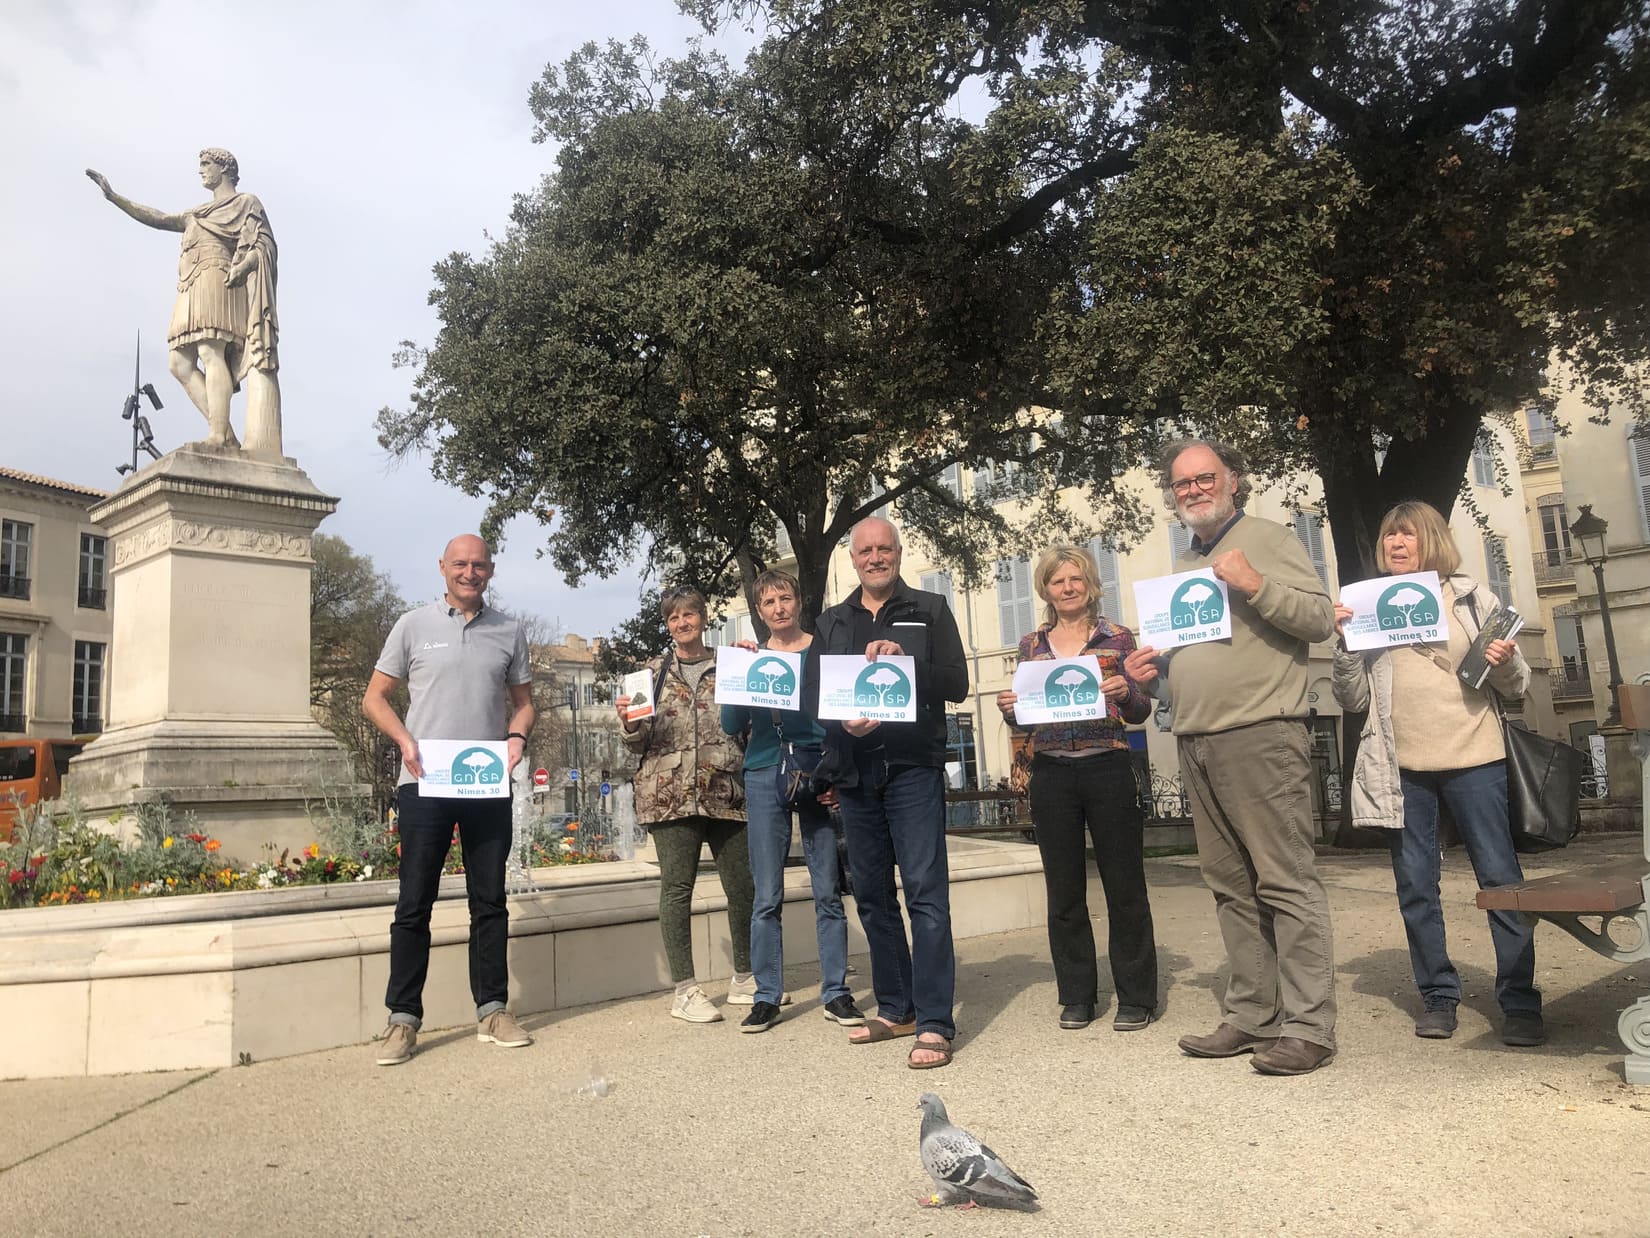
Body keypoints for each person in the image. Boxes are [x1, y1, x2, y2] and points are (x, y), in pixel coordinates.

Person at [1123, 439, 1339, 1076]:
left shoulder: (1268, 539)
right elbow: (1200, 662)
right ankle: (1252, 1014)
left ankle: (1309, 1026)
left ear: (1234, 481)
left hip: (1262, 734)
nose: (1191, 489)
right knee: (1230, 887)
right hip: (1196, 738)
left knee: (1285, 882)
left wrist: (1256, 583)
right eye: (1181, 483)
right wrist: (1151, 674)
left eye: (1203, 478)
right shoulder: (1188, 560)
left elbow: (1321, 619)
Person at [1331, 500, 1542, 1046]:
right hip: (1402, 766)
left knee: (1501, 881)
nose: (1396, 544)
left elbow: (1516, 688)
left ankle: (1519, 1002)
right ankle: (1438, 997)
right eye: (1388, 538)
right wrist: (1346, 644)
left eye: (1407, 535)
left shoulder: (1473, 598)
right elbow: (1351, 697)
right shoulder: (1369, 607)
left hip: (1477, 757)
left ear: (1432, 540)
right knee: (1416, 887)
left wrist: (1506, 660)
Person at [361, 534, 536, 1066]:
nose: (469, 572)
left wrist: (516, 738)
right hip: (424, 784)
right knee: (414, 902)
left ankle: (492, 1010)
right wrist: (404, 740)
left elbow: (525, 705)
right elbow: (374, 697)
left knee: (490, 901)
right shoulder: (412, 625)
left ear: (491, 570)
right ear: (442, 568)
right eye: (460, 563)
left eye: (478, 564)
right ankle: (402, 1020)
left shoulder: (509, 630)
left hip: (485, 783)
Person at [811, 517, 969, 1069]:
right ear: (852, 560)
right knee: (874, 897)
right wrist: (842, 726)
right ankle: (897, 1006)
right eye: (865, 551)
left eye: (884, 548)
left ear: (899, 554)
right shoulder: (832, 622)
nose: (875, 557)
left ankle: (933, 1020)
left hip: (913, 768)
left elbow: (957, 684)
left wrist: (911, 666)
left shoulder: (930, 609)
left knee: (926, 894)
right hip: (856, 774)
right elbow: (816, 698)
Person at [996, 545, 1158, 1032]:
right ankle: (1077, 994)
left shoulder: (1118, 637)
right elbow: (1027, 716)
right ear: (1044, 589)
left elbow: (1141, 710)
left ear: (1090, 584)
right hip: (1052, 773)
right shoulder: (1031, 645)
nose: (1067, 588)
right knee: (1063, 888)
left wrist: (1126, 692)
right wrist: (1011, 709)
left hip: (1107, 765)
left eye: (1076, 579)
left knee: (1124, 885)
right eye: (1057, 581)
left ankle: (1135, 995)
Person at [720, 569, 866, 1033]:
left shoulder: (821, 652)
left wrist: (838, 773)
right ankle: (766, 995)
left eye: (785, 598)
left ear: (798, 602)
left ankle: (836, 992)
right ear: (758, 612)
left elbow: (839, 716)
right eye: (768, 603)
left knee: (828, 887)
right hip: (765, 770)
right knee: (767, 893)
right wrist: (738, 671)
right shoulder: (752, 656)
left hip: (816, 768)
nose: (778, 608)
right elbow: (729, 723)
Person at [616, 586, 756, 1024]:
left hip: (726, 788)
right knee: (677, 890)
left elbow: (752, 721)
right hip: (669, 796)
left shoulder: (731, 665)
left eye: (689, 615)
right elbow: (635, 741)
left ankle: (746, 976)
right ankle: (685, 989)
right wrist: (627, 724)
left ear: (703, 617)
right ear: (668, 624)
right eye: (674, 617)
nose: (683, 623)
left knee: (743, 887)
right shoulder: (650, 675)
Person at [86, 149, 282, 457]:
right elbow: (160, 218)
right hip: (191, 283)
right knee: (178, 362)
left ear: (225, 168)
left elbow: (265, 244)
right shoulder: (198, 213)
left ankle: (217, 435)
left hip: (220, 277)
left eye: (206, 164)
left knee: (210, 348)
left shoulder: (246, 203)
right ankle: (226, 435)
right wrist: (114, 197)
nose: (201, 170)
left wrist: (244, 266)